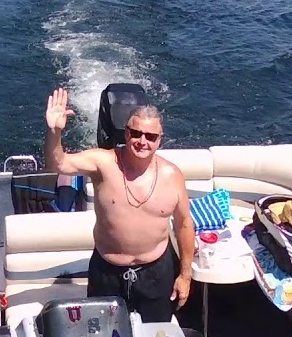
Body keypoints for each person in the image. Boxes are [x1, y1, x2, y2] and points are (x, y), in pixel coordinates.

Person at [43, 88, 194, 323]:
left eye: (150, 136)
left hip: (156, 273)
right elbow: (58, 164)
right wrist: (55, 132)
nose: (142, 141)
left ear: (159, 140)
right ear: (126, 134)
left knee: (156, 335)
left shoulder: (172, 175)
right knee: (104, 336)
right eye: (136, 133)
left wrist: (186, 274)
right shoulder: (103, 162)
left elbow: (184, 224)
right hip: (107, 273)